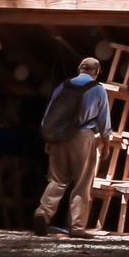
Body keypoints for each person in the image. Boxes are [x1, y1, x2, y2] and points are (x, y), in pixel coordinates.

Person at [33, 57, 111, 237]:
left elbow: (50, 115)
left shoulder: (63, 86)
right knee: (82, 183)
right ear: (96, 72)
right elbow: (104, 121)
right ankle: (77, 227)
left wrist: (49, 140)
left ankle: (43, 212)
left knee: (57, 180)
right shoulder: (98, 90)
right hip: (83, 138)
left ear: (79, 68)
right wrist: (106, 145)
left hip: (58, 138)